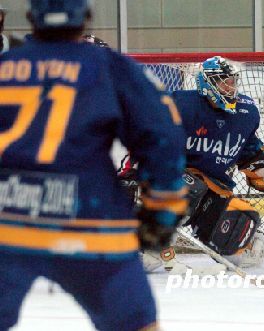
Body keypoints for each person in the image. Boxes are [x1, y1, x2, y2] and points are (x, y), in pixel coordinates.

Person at [0, 1, 186, 330]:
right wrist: (162, 212)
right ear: (85, 16)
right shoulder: (109, 67)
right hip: (90, 225)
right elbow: (163, 138)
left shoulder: (5, 64)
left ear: (31, 17)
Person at [120, 55, 264, 271]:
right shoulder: (181, 105)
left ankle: (260, 240)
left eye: (232, 81)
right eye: (224, 81)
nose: (230, 87)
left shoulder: (246, 113)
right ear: (207, 83)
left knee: (237, 246)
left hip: (214, 192)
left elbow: (250, 154)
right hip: (177, 178)